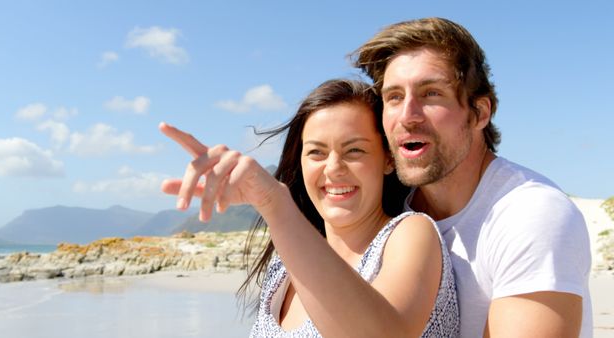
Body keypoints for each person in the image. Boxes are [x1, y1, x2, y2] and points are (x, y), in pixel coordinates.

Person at [159, 79, 459, 337]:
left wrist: (276, 206)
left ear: (388, 159)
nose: (333, 168)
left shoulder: (410, 234)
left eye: (354, 150)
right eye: (316, 152)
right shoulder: (284, 266)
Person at [351, 17, 592, 337]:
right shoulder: (384, 210)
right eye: (394, 97)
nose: (407, 116)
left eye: (431, 94)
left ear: (480, 113)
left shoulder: (531, 213)